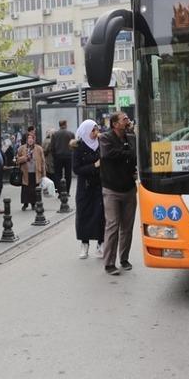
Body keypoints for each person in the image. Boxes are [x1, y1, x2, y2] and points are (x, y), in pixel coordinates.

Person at [99, 112, 138, 275]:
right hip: (111, 189)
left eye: (127, 118)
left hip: (129, 188)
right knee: (113, 225)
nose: (127, 120)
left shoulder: (132, 138)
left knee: (127, 227)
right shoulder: (105, 138)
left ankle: (124, 259)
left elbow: (136, 156)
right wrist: (128, 153)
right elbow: (109, 154)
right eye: (124, 119)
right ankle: (109, 263)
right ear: (115, 124)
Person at [72, 120, 105, 259]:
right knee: (84, 215)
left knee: (101, 215)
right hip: (85, 187)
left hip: (100, 185)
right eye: (92, 130)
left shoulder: (101, 144)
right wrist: (94, 166)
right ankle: (84, 244)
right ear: (86, 131)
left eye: (96, 129)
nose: (95, 132)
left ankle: (101, 243)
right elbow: (76, 169)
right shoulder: (79, 146)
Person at [15, 133, 46, 211]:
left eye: (32, 138)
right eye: (29, 138)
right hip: (25, 172)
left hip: (36, 172)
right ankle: (25, 204)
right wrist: (25, 158)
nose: (30, 140)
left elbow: (42, 161)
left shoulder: (39, 148)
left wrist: (44, 174)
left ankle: (33, 204)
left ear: (34, 139)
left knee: (34, 189)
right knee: (25, 189)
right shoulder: (22, 148)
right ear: (26, 140)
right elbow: (17, 160)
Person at [50, 120, 75, 195]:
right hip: (68, 156)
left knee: (58, 174)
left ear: (59, 125)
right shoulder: (71, 134)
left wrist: (54, 156)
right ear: (66, 124)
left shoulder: (55, 134)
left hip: (58, 157)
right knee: (68, 174)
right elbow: (74, 146)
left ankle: (60, 192)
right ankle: (67, 191)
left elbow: (52, 147)